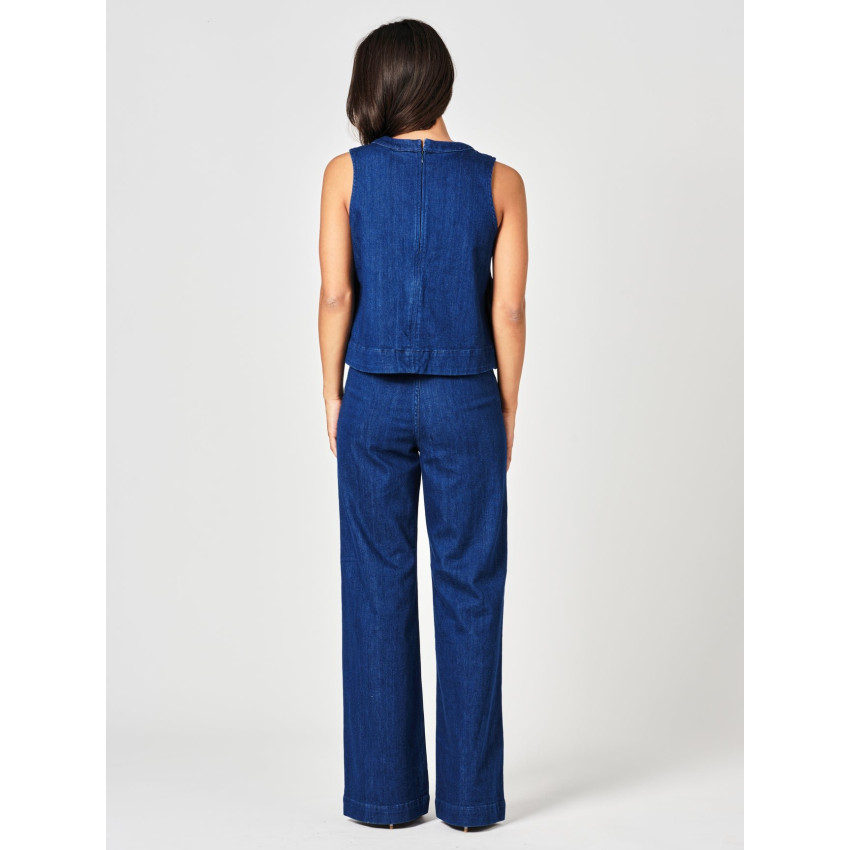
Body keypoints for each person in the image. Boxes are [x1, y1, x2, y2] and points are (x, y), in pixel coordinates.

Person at [317, 18, 527, 832]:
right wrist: (507, 405)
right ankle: (470, 804)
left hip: (371, 393)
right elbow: (508, 309)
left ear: (373, 88)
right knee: (471, 586)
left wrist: (330, 392)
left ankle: (385, 799)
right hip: (465, 396)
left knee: (375, 584)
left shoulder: (345, 174)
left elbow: (337, 295)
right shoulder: (501, 182)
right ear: (440, 82)